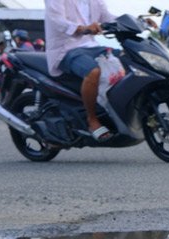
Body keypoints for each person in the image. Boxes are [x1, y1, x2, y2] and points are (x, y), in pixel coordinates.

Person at [45, 0, 120, 142]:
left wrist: (138, 22)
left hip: (92, 46)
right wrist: (82, 28)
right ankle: (92, 120)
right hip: (66, 49)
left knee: (127, 59)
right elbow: (57, 20)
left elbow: (109, 18)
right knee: (93, 72)